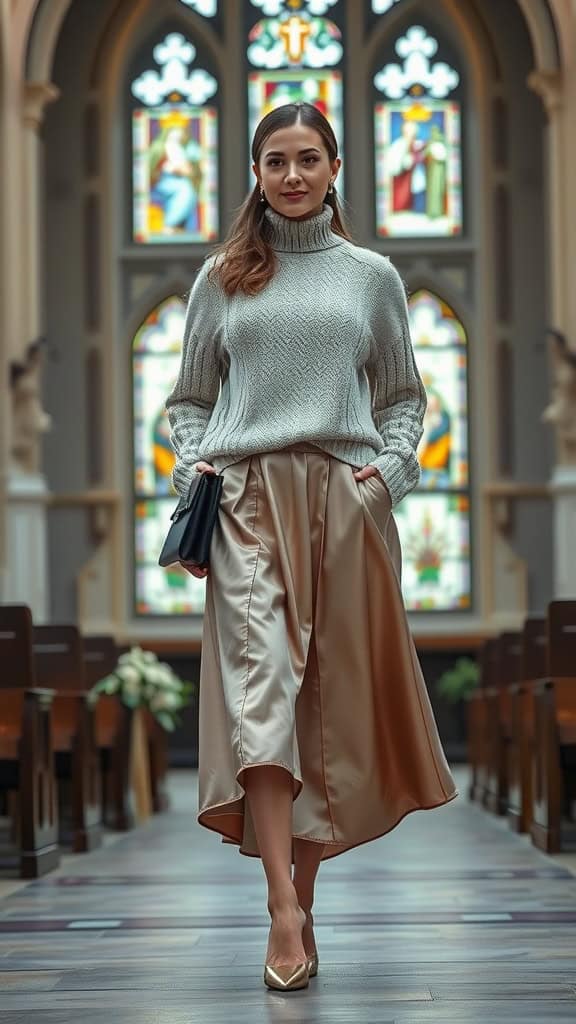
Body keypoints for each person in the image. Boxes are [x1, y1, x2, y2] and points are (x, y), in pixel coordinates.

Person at [165, 102, 457, 992]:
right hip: (249, 497)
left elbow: (404, 397)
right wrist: (197, 465)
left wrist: (390, 477)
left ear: (335, 168)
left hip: (345, 498)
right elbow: (187, 401)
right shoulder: (222, 278)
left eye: (307, 160)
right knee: (263, 692)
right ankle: (281, 909)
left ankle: (307, 888)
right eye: (275, 162)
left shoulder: (372, 276)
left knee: (325, 704)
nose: (291, 176)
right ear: (255, 173)